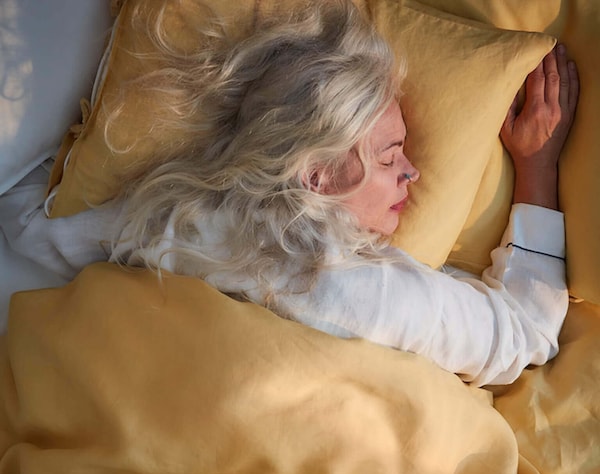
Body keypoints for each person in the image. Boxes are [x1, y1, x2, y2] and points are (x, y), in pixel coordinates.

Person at [2, 0, 580, 387]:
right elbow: (526, 335)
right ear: (317, 177)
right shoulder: (359, 295)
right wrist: (537, 167)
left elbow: (27, 223)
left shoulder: (178, 218)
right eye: (389, 157)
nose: (413, 174)